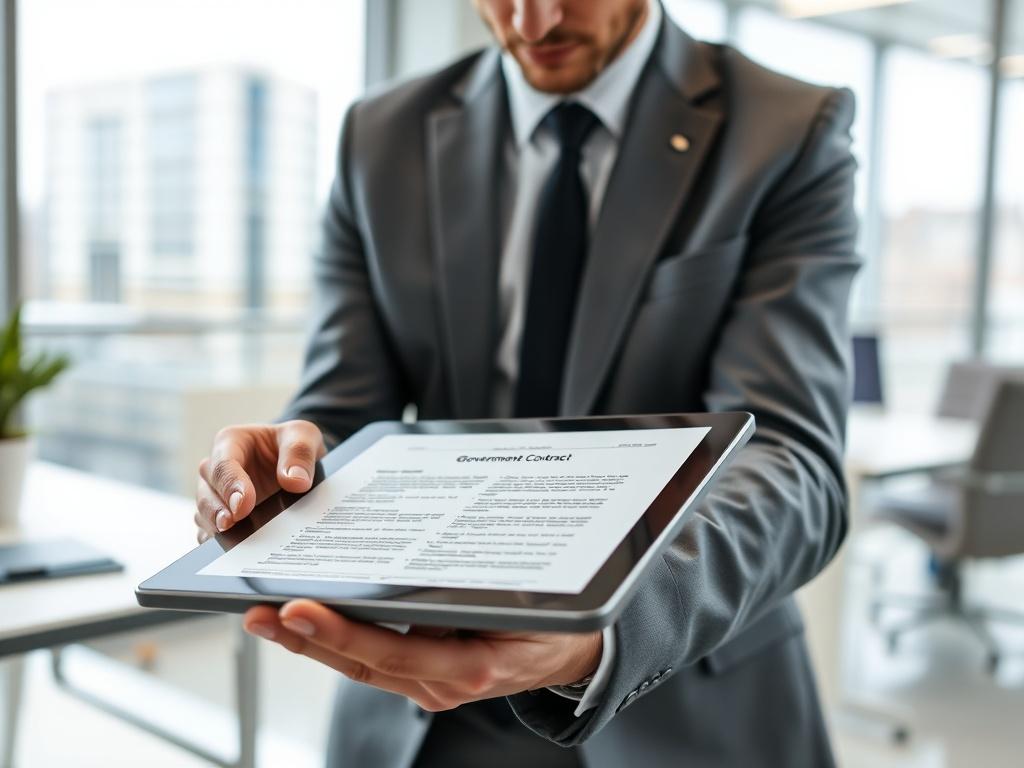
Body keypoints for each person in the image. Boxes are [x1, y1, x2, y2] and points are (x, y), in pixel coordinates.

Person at [194, 1, 860, 765]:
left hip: (677, 696)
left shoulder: (787, 129)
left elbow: (790, 461)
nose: (533, 22)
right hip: (421, 709)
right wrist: (287, 465)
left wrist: (606, 624)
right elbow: (343, 411)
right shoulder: (381, 138)